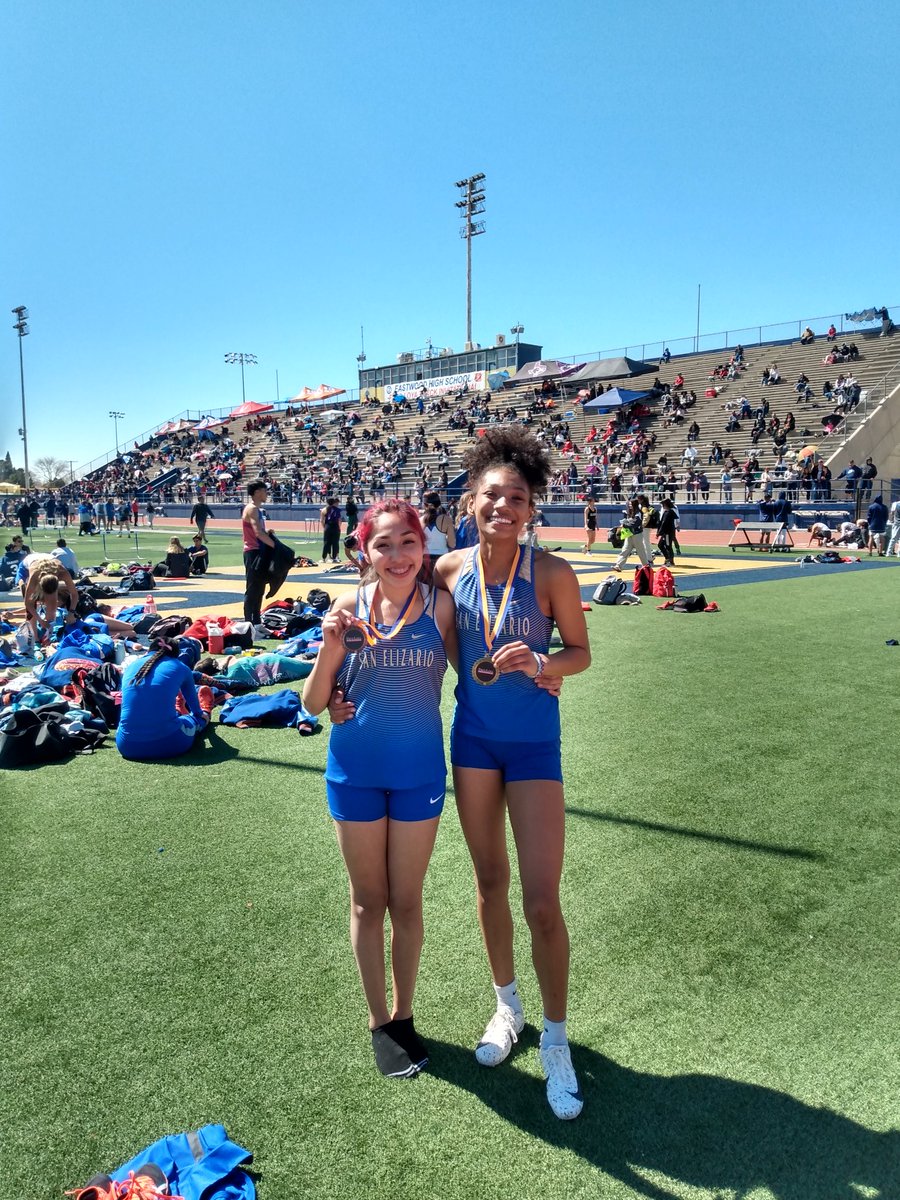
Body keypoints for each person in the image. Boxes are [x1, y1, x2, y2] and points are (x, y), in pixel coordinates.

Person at [433, 427, 591, 1121]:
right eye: (492, 494)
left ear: (532, 509)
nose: (503, 505)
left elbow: (582, 652)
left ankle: (556, 1038)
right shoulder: (447, 571)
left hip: (532, 749)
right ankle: (508, 1008)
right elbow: (430, 653)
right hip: (471, 745)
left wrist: (548, 667)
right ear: (472, 500)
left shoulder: (552, 573)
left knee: (541, 901)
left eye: (517, 497)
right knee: (488, 883)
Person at [302, 499, 456, 1079]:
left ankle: (405, 1014)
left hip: (419, 775)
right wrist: (330, 650)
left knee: (408, 901)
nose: (397, 555)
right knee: (369, 902)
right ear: (364, 552)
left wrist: (541, 672)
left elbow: (477, 672)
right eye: (383, 545)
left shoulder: (441, 608)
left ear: (424, 546)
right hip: (355, 773)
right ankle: (377, 1023)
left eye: (407, 542)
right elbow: (314, 704)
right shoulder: (347, 607)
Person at [116, 636, 214, 761]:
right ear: (176, 655)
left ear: (148, 651)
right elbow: (195, 710)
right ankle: (205, 712)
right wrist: (202, 714)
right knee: (194, 720)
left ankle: (177, 711)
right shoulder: (181, 667)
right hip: (170, 744)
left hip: (127, 746)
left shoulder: (130, 667)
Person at [242, 480, 275, 629]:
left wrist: (268, 534)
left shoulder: (257, 510)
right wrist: (276, 546)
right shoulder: (252, 509)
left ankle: (256, 621)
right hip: (253, 551)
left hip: (258, 550)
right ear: (257, 492)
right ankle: (249, 621)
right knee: (253, 588)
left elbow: (260, 532)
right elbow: (257, 533)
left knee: (259, 587)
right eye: (264, 490)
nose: (266, 494)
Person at [612, 498, 649, 573]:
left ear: (634, 504)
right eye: (629, 504)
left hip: (637, 535)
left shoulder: (638, 513)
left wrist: (625, 524)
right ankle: (618, 565)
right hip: (629, 534)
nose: (629, 505)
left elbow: (635, 524)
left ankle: (646, 566)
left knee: (640, 551)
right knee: (625, 550)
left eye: (631, 504)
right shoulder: (630, 512)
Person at [321, 496, 343, 564]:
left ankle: (324, 558)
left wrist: (325, 527)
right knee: (335, 543)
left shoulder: (324, 510)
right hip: (335, 526)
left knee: (326, 542)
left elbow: (322, 520)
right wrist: (339, 527)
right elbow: (339, 520)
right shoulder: (337, 510)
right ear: (333, 502)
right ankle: (335, 557)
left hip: (328, 526)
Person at [656, 497, 677, 566]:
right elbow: (662, 522)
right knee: (661, 545)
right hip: (666, 532)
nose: (662, 506)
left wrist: (659, 532)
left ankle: (670, 561)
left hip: (668, 532)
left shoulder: (669, 512)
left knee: (668, 546)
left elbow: (664, 523)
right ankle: (668, 558)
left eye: (663, 504)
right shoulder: (667, 512)